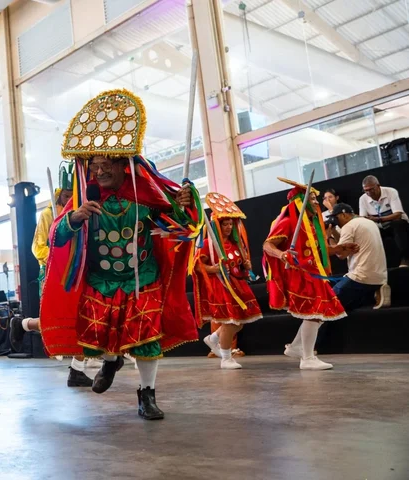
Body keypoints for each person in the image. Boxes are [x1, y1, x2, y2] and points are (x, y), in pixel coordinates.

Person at [39, 89, 202, 420]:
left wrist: (186, 205)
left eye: (105, 165)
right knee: (101, 337)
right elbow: (56, 237)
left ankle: (147, 395)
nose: (99, 172)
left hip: (143, 281)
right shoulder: (84, 199)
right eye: (94, 166)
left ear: (123, 165)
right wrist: (74, 218)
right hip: (100, 282)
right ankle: (111, 362)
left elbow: (180, 228)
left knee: (145, 341)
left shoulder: (147, 197)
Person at [10, 163, 94, 387]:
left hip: (82, 270)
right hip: (55, 271)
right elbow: (38, 247)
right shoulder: (49, 214)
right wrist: (59, 258)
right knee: (59, 317)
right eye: (66, 196)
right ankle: (24, 324)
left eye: (72, 196)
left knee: (84, 317)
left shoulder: (86, 208)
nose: (68, 200)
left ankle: (77, 370)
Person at [263, 178, 348, 370]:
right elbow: (267, 244)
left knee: (320, 312)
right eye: (312, 199)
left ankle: (296, 347)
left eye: (316, 199)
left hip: (314, 273)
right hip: (300, 274)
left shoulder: (313, 225)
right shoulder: (287, 222)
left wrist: (340, 248)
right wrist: (282, 254)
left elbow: (320, 251)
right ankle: (307, 358)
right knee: (314, 313)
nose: (317, 202)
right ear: (300, 202)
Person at [194, 193, 262, 369]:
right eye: (225, 224)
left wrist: (246, 266)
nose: (229, 227)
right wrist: (213, 269)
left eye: (231, 224)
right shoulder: (208, 244)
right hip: (221, 286)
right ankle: (226, 358)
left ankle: (213, 338)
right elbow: (197, 266)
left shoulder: (235, 244)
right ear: (217, 225)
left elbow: (238, 267)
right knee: (230, 322)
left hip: (238, 286)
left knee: (239, 324)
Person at [325, 203, 389, 311]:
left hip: (360, 278)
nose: (336, 222)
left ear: (344, 214)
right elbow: (345, 245)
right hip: (379, 277)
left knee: (328, 302)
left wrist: (329, 237)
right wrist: (334, 231)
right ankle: (376, 292)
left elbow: (341, 254)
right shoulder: (369, 222)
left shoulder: (349, 226)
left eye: (336, 218)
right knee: (348, 307)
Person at [359, 175, 409, 267]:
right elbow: (363, 218)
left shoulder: (391, 192)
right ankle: (378, 264)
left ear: (378, 186)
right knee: (368, 232)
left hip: (396, 223)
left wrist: (378, 219)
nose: (369, 193)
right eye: (366, 190)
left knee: (397, 224)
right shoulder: (362, 199)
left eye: (371, 189)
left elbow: (398, 214)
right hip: (380, 227)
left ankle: (405, 259)